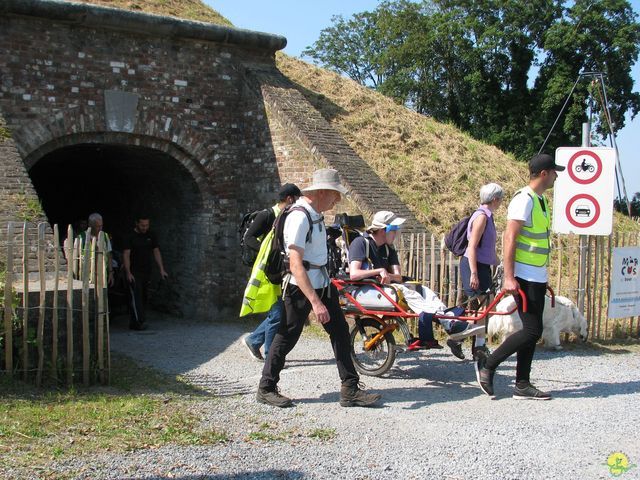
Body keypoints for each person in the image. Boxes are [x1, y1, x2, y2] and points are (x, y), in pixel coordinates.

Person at [257, 168, 381, 408]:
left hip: (322, 284)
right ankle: (266, 387)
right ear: (322, 192)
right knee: (286, 336)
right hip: (300, 288)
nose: (337, 200)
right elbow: (295, 264)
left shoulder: (314, 214)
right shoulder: (300, 216)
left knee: (341, 332)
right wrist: (315, 302)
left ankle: (350, 389)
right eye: (335, 195)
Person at [475, 153, 564, 400]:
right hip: (523, 275)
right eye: (554, 172)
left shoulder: (540, 201)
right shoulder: (523, 199)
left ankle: (522, 384)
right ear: (544, 173)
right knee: (533, 331)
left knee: (531, 330)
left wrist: (543, 277)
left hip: (536, 275)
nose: (557, 176)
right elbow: (510, 237)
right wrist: (509, 277)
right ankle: (489, 364)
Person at [348, 210, 478, 355]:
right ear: (384, 230)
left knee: (424, 290)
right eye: (395, 229)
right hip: (366, 288)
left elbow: (398, 277)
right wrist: (378, 271)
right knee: (407, 291)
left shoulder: (388, 248)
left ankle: (450, 321)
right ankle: (448, 323)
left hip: (385, 287)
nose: (397, 233)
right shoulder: (360, 243)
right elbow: (354, 274)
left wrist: (388, 275)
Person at [240, 183, 302, 361]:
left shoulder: (288, 216)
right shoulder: (267, 215)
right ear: (290, 199)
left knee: (278, 312)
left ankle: (254, 340)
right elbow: (248, 238)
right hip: (268, 272)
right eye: (297, 198)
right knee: (277, 313)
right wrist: (267, 253)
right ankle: (269, 355)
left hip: (280, 271)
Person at [453, 183, 504, 361]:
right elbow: (473, 246)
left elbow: (486, 249)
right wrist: (474, 273)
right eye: (501, 200)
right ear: (495, 199)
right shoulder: (482, 217)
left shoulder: (488, 216)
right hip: (473, 265)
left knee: (486, 305)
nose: (501, 203)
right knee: (481, 307)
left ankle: (478, 346)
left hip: (482, 265)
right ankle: (461, 340)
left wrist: (500, 263)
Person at [122, 216, 168, 330]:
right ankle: (138, 322)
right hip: (134, 271)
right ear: (136, 223)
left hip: (146, 271)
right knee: (136, 296)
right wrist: (128, 272)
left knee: (143, 296)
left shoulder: (151, 235)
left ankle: (136, 321)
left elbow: (156, 251)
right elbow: (126, 255)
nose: (145, 227)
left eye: (147, 225)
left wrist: (161, 269)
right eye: (142, 225)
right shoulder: (130, 237)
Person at [76, 212, 115, 287]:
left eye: (101, 226)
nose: (100, 228)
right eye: (97, 226)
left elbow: (109, 255)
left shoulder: (105, 236)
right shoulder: (81, 238)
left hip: (102, 275)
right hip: (86, 277)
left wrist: (110, 273)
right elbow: (77, 258)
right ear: (90, 226)